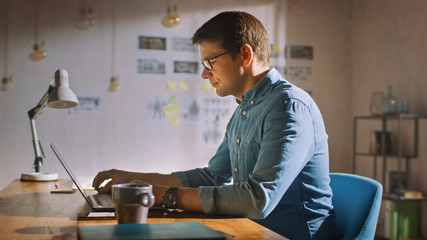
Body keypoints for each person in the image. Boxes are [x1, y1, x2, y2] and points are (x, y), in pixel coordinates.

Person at [93, 11, 336, 239]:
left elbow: (257, 199)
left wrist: (166, 196)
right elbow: (213, 176)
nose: (204, 74)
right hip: (250, 230)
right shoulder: (245, 108)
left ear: (245, 55)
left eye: (210, 62)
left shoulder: (288, 107)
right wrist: (135, 179)